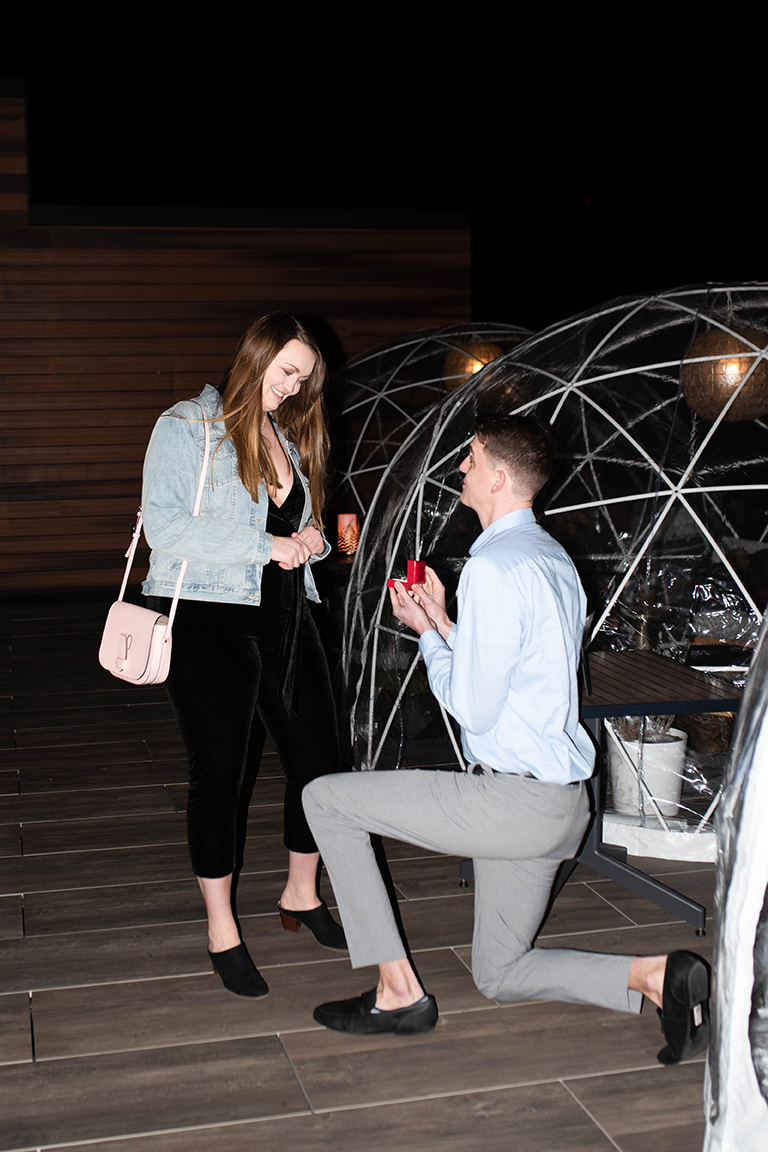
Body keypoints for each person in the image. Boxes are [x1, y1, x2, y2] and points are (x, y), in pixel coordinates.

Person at [302, 414, 711, 1064]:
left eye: (470, 456)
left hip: (516, 804)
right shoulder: (551, 557)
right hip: (560, 802)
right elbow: (515, 671)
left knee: (326, 800)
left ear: (496, 475)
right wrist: (440, 618)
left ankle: (396, 990)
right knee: (498, 973)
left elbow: (473, 707)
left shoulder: (492, 567)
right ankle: (657, 977)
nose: (461, 467)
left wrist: (428, 635)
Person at [142, 312, 346, 1000]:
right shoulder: (187, 426)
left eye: (303, 377)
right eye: (286, 370)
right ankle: (221, 929)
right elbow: (164, 526)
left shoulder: (285, 434)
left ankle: (300, 893)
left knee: (319, 764)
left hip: (291, 616)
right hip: (208, 617)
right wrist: (268, 548)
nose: (292, 387)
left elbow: (289, 524)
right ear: (255, 357)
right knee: (220, 775)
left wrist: (312, 535)